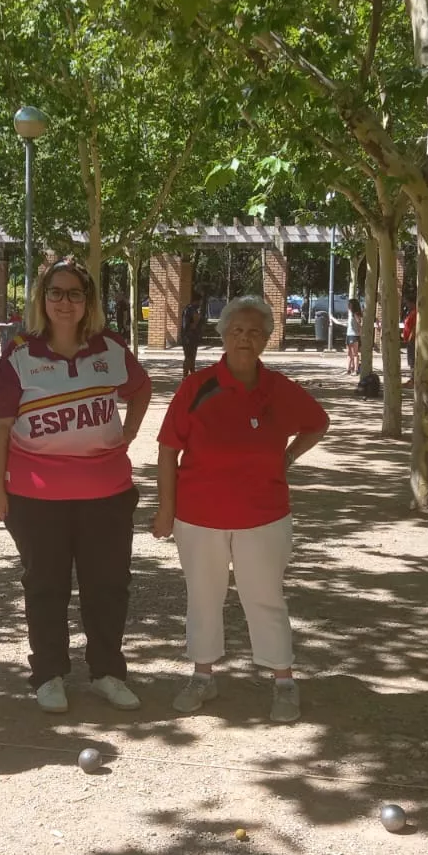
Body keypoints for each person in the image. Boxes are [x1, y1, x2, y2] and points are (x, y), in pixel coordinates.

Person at [0, 258, 152, 714]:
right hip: (37, 498)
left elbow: (141, 389)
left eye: (74, 293)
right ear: (42, 299)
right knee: (45, 586)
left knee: (109, 586)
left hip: (107, 494)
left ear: (88, 302)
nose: (64, 301)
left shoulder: (111, 347)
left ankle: (108, 672)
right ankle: (48, 674)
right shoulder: (19, 353)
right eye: (55, 292)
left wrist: (129, 433)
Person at [153, 296, 330, 723]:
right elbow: (167, 451)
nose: (245, 339)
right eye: (237, 331)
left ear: (267, 339)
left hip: (264, 516)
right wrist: (166, 509)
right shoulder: (196, 387)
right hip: (199, 517)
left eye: (254, 332)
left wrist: (287, 458)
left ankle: (283, 681)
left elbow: (317, 423)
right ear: (223, 336)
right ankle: (202, 675)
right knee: (203, 597)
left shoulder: (278, 388)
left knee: (264, 597)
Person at [180, 296, 207, 377]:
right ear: (195, 301)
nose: (200, 304)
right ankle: (185, 376)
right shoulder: (189, 310)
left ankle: (192, 375)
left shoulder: (193, 310)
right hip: (188, 338)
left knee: (192, 357)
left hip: (193, 338)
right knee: (189, 357)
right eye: (199, 302)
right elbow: (186, 326)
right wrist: (195, 323)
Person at [345, 297, 362, 374]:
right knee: (349, 353)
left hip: (354, 335)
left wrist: (360, 332)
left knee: (355, 354)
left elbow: (360, 322)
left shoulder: (355, 313)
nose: (348, 305)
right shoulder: (350, 313)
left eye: (350, 304)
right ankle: (348, 369)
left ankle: (356, 370)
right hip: (348, 335)